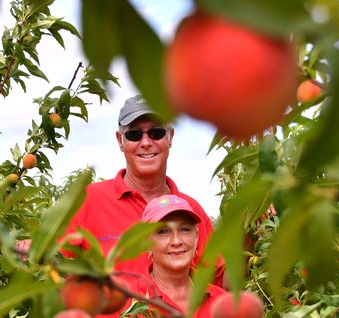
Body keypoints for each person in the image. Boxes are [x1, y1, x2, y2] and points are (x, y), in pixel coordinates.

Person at [17, 94, 224, 285]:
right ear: (120, 140)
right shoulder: (87, 201)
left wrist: (249, 226)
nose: (146, 143)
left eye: (156, 133)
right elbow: (56, 263)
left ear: (170, 137)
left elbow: (217, 283)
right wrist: (33, 251)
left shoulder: (192, 211)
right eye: (134, 135)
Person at [95, 195, 242, 318]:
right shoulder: (125, 305)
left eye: (185, 229)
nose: (176, 241)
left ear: (196, 237)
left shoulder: (223, 302)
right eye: (163, 231)